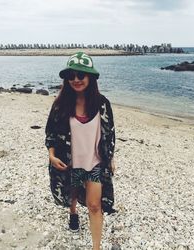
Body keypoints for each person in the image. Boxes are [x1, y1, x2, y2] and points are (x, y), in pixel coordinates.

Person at [45, 52, 116, 250]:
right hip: (70, 163)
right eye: (71, 76)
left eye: (81, 75)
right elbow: (50, 133)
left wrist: (110, 158)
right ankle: (73, 213)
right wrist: (51, 155)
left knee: (95, 206)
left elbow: (109, 134)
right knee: (73, 193)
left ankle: (96, 247)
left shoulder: (102, 104)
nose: (76, 79)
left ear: (90, 77)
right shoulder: (60, 106)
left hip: (94, 163)